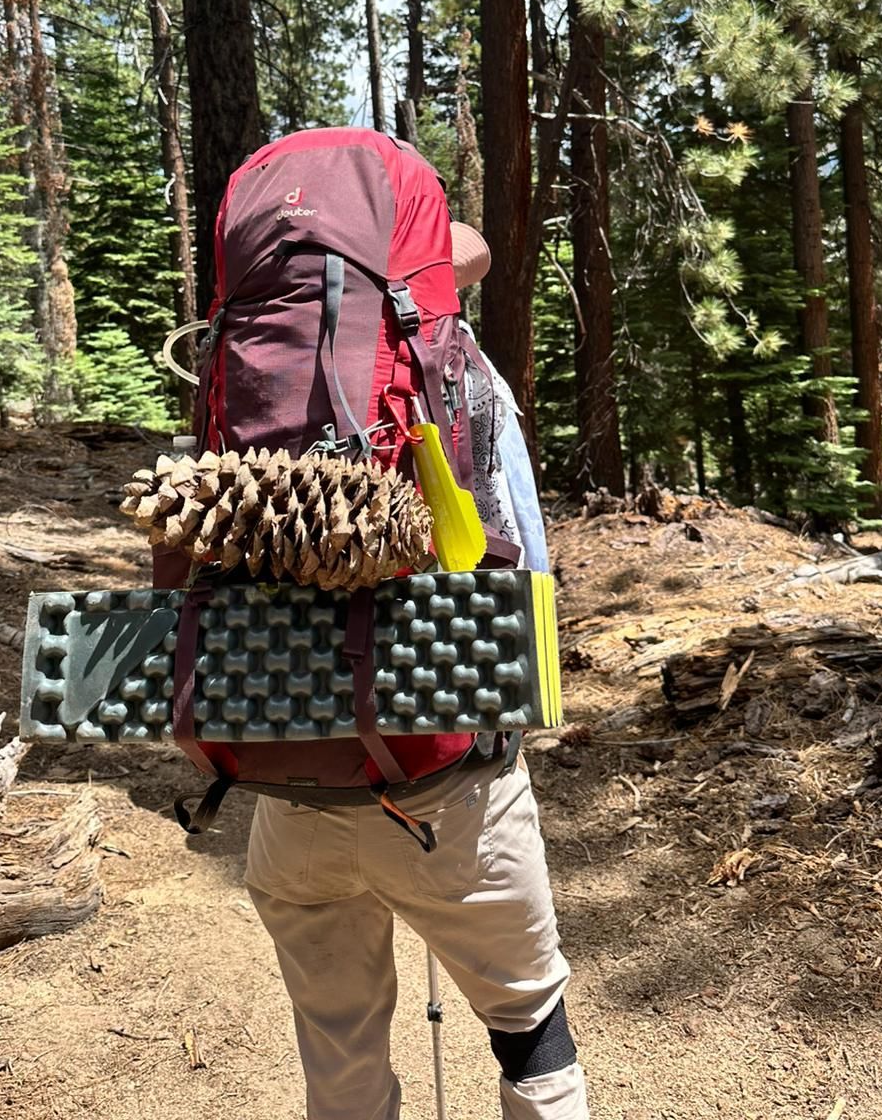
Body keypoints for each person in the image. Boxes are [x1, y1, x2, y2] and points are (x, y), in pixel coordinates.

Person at [244, 219, 588, 1120]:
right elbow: (523, 567)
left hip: (290, 778)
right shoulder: (454, 368)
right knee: (531, 1030)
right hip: (447, 781)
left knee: (339, 1053)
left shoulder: (255, 353)